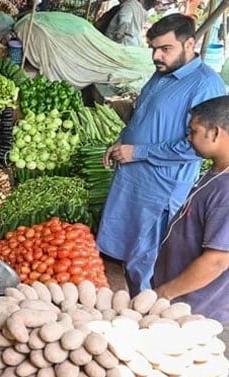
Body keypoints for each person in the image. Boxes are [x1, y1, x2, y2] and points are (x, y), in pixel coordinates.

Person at [96, 13, 226, 297]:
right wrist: (122, 142)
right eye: (153, 48)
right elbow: (142, 116)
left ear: (189, 44)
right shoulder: (161, 73)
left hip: (158, 188)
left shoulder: (205, 86)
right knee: (123, 247)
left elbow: (192, 147)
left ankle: (144, 312)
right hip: (132, 178)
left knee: (145, 257)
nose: (157, 55)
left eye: (165, 49)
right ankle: (121, 298)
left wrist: (138, 151)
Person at [152, 95, 229, 358]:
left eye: (194, 131)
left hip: (199, 310)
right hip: (183, 299)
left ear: (215, 132)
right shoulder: (217, 171)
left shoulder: (227, 190)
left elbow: (217, 260)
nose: (188, 138)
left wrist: (165, 293)